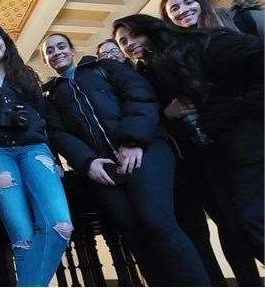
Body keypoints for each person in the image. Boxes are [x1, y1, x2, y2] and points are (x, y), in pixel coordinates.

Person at [42, 32, 210, 286]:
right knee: (133, 234)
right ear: (46, 61)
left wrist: (133, 140)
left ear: (72, 50)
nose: (57, 52)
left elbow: (140, 96)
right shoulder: (52, 96)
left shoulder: (104, 68)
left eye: (61, 46)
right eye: (50, 51)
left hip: (147, 150)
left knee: (157, 221)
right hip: (104, 168)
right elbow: (58, 133)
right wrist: (88, 162)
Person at [113, 14, 264, 268]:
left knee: (253, 218)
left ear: (148, 29)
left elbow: (256, 55)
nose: (128, 44)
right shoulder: (144, 73)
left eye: (132, 35)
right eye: (122, 42)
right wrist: (167, 114)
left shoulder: (193, 42)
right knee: (236, 225)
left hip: (245, 140)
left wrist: (240, 106)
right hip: (207, 154)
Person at [0, 24, 72, 286]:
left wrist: (55, 158)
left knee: (60, 226)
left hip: (34, 148)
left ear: (5, 42)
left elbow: (44, 119)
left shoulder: (26, 75)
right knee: (22, 239)